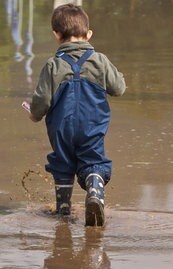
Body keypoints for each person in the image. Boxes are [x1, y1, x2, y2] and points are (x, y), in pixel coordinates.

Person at [27, 4, 126, 226]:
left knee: (62, 163)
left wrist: (34, 114)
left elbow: (42, 100)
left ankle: (63, 210)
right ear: (89, 34)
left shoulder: (53, 65)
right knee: (93, 161)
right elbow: (118, 88)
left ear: (57, 35)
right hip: (92, 127)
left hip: (61, 128)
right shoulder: (100, 61)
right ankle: (95, 190)